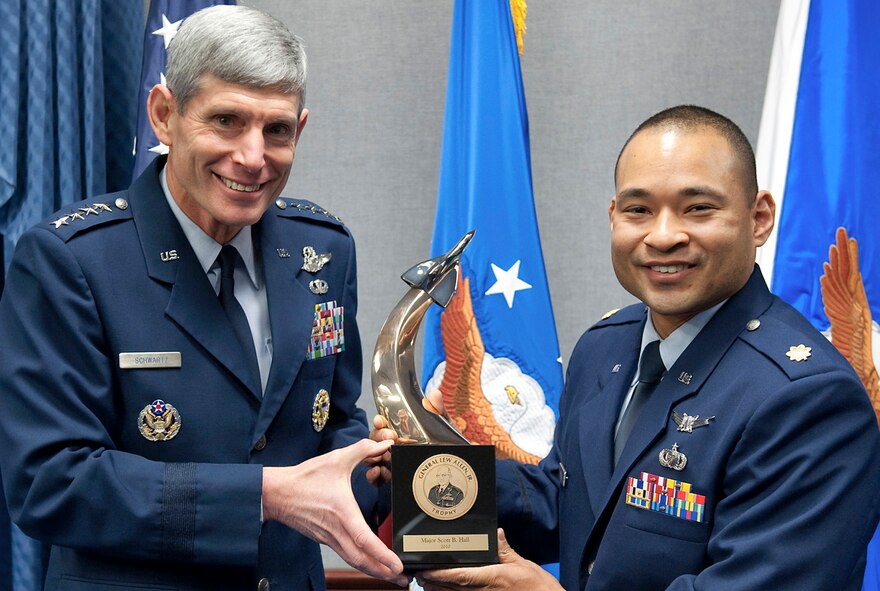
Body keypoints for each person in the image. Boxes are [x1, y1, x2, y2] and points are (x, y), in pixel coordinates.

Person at [375, 105, 880, 590]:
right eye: (639, 210)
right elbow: (571, 504)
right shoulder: (604, 349)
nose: (662, 236)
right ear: (614, 216)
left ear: (759, 217)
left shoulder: (808, 398)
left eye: (698, 208)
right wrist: (438, 465)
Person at [0, 5, 406, 590]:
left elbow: (334, 421)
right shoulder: (73, 261)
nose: (252, 156)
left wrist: (378, 468)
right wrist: (265, 498)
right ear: (164, 115)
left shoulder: (325, 251)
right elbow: (50, 481)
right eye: (225, 121)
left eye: (277, 130)